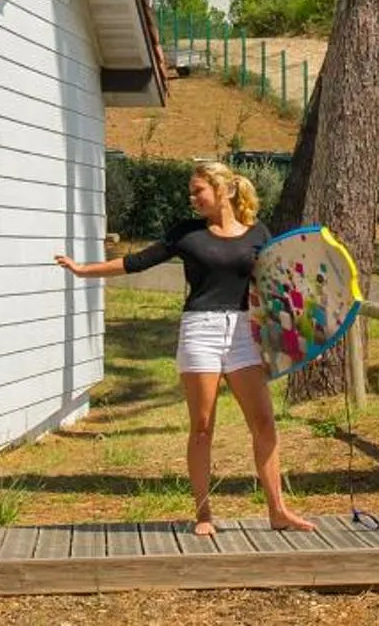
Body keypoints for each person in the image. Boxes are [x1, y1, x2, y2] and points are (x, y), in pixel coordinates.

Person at [53, 160, 316, 536]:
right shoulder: (187, 233)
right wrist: (83, 270)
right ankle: (204, 515)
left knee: (264, 423)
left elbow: (278, 282)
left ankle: (278, 510)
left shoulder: (258, 233)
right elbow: (136, 262)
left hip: (244, 333)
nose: (193, 198)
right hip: (201, 331)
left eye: (198, 191)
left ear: (223, 190)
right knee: (203, 427)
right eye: (191, 193)